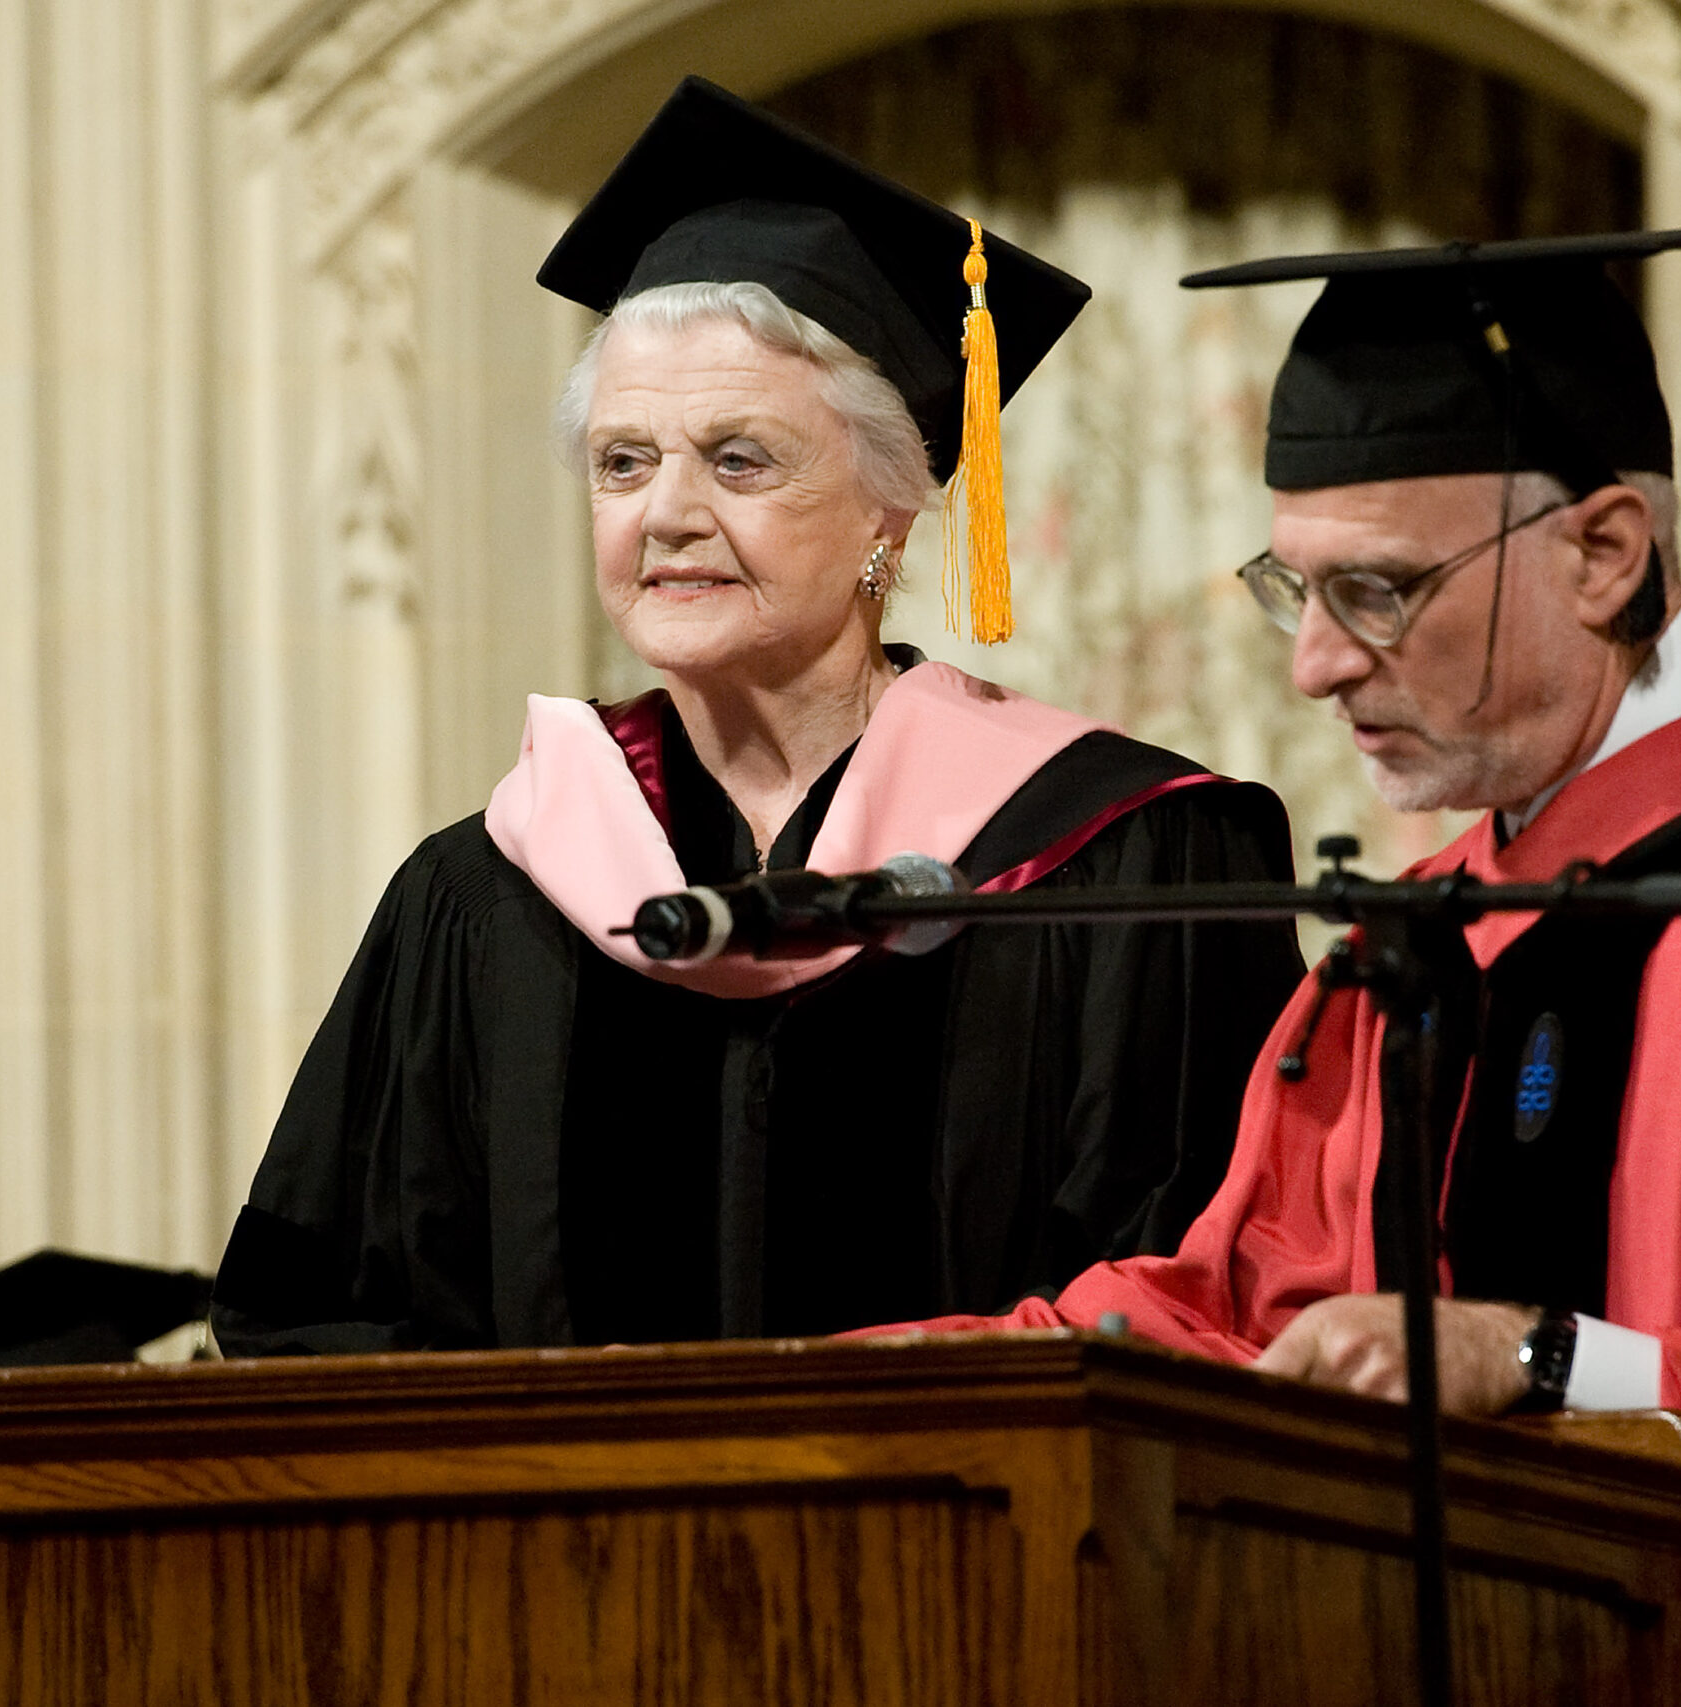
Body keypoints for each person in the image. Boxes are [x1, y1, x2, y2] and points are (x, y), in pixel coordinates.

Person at [893, 229, 1681, 1705]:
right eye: (1290, 587)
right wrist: (865, 1382)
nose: (1313, 662)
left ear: (1605, 551)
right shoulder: (1422, 940)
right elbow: (1229, 1315)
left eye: (1377, 591)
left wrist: (1538, 1360)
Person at [207, 79, 1303, 1356]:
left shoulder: (1118, 862)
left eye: (739, 459)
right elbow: (310, 1315)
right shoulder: (482, 893)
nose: (665, 512)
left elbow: (1215, 1293)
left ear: (887, 513)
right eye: (624, 462)